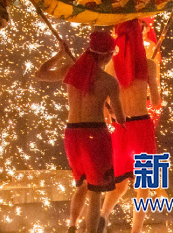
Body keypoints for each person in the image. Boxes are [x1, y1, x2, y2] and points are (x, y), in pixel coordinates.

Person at [36, 30, 124, 233]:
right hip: (95, 136)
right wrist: (112, 107)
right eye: (111, 53)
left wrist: (59, 54)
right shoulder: (109, 82)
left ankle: (72, 226)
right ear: (105, 55)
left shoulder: (71, 71)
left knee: (82, 185)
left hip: (72, 135)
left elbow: (40, 74)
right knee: (96, 192)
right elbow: (120, 119)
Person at [99, 20, 162, 232]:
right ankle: (136, 230)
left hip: (119, 128)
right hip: (142, 127)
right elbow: (155, 101)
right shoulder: (150, 65)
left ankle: (102, 217)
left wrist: (109, 109)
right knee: (144, 184)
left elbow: (103, 103)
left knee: (119, 184)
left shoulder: (110, 66)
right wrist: (151, 86)